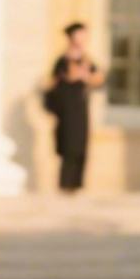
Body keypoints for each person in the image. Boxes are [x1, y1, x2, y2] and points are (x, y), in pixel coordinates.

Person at [45, 22, 104, 192]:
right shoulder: (63, 60)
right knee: (68, 145)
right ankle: (65, 185)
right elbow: (57, 81)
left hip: (80, 107)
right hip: (66, 108)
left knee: (81, 145)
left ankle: (77, 185)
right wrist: (78, 75)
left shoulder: (86, 59)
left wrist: (86, 76)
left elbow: (98, 78)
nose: (83, 38)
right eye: (80, 34)